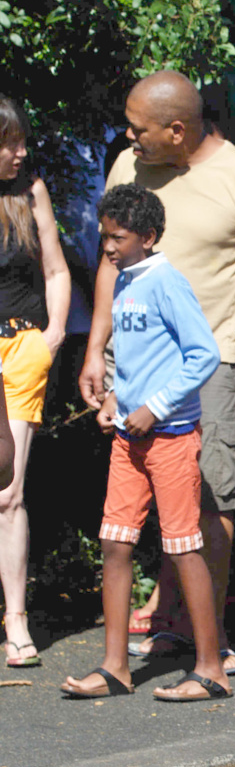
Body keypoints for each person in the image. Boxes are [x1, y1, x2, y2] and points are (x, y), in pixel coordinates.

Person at [79, 72, 235, 676]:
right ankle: (174, 627)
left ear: (177, 129)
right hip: (136, 360)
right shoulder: (128, 168)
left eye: (139, 128)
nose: (128, 136)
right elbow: (108, 264)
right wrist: (96, 350)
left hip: (212, 359)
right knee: (145, 498)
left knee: (210, 498)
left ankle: (208, 640)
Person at [61, 185, 227, 700]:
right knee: (115, 541)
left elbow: (203, 355)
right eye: (104, 236)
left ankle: (210, 668)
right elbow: (139, 360)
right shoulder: (126, 283)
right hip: (129, 440)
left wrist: (154, 406)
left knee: (182, 547)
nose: (107, 247)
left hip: (171, 437)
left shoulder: (164, 282)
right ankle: (115, 668)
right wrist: (117, 397)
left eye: (118, 237)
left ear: (148, 238)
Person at [0, 96, 70, 669]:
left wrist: (51, 337)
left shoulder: (31, 193)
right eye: (9, 142)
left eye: (21, 141)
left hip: (21, 346)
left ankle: (16, 620)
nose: (20, 153)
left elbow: (55, 269)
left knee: (8, 493)